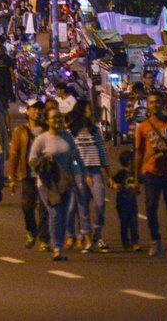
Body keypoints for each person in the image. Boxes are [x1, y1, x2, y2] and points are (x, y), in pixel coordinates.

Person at [29, 107, 87, 261]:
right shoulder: (42, 139)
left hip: (65, 182)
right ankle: (57, 248)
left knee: (64, 214)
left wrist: (80, 174)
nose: (57, 120)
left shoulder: (67, 137)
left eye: (59, 117)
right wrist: (45, 160)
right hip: (47, 183)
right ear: (48, 121)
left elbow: (74, 157)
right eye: (54, 118)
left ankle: (59, 245)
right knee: (55, 212)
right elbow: (32, 160)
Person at [134, 93, 167, 259]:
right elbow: (138, 152)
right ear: (147, 105)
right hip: (151, 172)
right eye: (151, 103)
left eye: (157, 102)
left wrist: (162, 150)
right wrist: (135, 177)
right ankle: (155, 239)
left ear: (162, 104)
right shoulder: (142, 127)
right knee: (151, 206)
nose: (154, 105)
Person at [66, 100, 112, 253]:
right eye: (88, 108)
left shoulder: (94, 130)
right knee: (82, 207)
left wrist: (109, 175)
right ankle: (86, 237)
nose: (90, 111)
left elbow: (102, 152)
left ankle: (98, 234)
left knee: (100, 204)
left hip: (95, 171)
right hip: (79, 173)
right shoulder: (71, 131)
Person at [8, 99, 50, 251]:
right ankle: (32, 230)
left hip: (45, 175)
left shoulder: (47, 130)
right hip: (27, 175)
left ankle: (45, 239)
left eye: (40, 109)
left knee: (45, 208)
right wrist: (12, 178)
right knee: (27, 206)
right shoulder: (20, 132)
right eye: (34, 109)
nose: (37, 112)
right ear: (27, 111)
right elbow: (14, 154)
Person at [111, 150, 141, 251]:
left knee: (134, 223)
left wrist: (137, 188)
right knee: (124, 223)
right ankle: (126, 242)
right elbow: (111, 181)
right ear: (128, 162)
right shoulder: (121, 174)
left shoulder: (135, 174)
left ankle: (135, 242)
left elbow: (142, 181)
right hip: (122, 202)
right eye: (132, 160)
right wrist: (114, 186)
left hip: (132, 202)